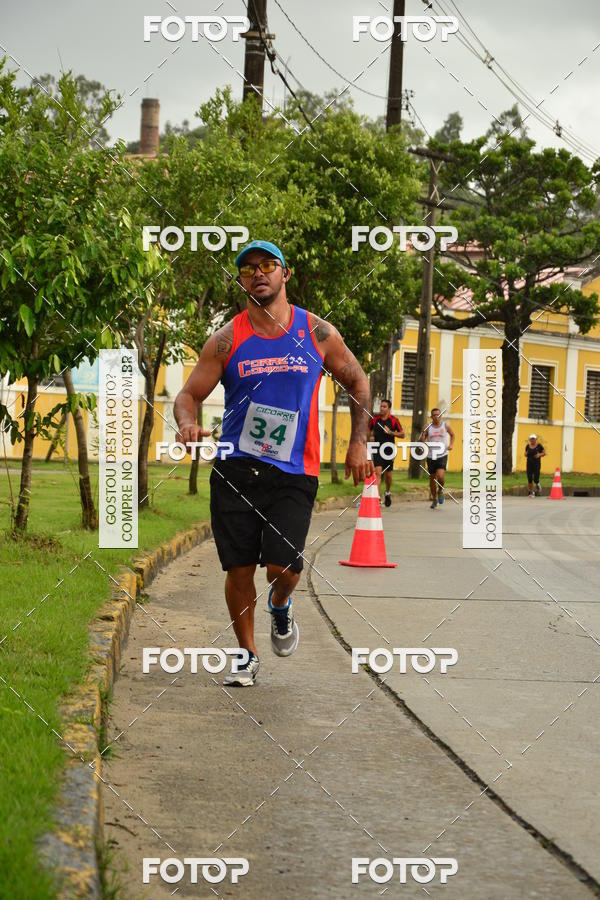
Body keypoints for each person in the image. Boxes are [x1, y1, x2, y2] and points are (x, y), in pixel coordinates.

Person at [174, 240, 373, 686]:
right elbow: (188, 395)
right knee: (240, 567)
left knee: (283, 568)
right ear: (241, 281)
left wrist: (359, 442)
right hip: (236, 468)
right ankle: (246, 654)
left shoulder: (317, 333)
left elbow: (358, 381)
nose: (258, 273)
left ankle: (280, 603)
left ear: (286, 273)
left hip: (294, 471)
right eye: (248, 269)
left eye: (267, 265)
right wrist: (186, 424)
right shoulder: (226, 340)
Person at [368, 399, 404, 506]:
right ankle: (377, 498)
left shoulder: (394, 420)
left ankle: (387, 492)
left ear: (389, 408)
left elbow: (402, 434)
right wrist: (370, 436)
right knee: (378, 472)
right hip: (377, 449)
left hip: (389, 450)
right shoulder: (374, 419)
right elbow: (368, 431)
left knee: (388, 475)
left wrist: (391, 432)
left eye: (384, 407)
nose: (382, 408)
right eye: (381, 406)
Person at [420, 408, 454, 509]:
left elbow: (452, 435)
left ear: (440, 415)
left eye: (438, 414)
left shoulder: (445, 425)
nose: (436, 416)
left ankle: (440, 490)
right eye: (434, 415)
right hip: (431, 455)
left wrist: (451, 445)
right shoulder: (428, 426)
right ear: (431, 417)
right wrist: (423, 437)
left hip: (442, 454)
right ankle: (434, 499)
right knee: (432, 479)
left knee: (440, 476)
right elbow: (422, 438)